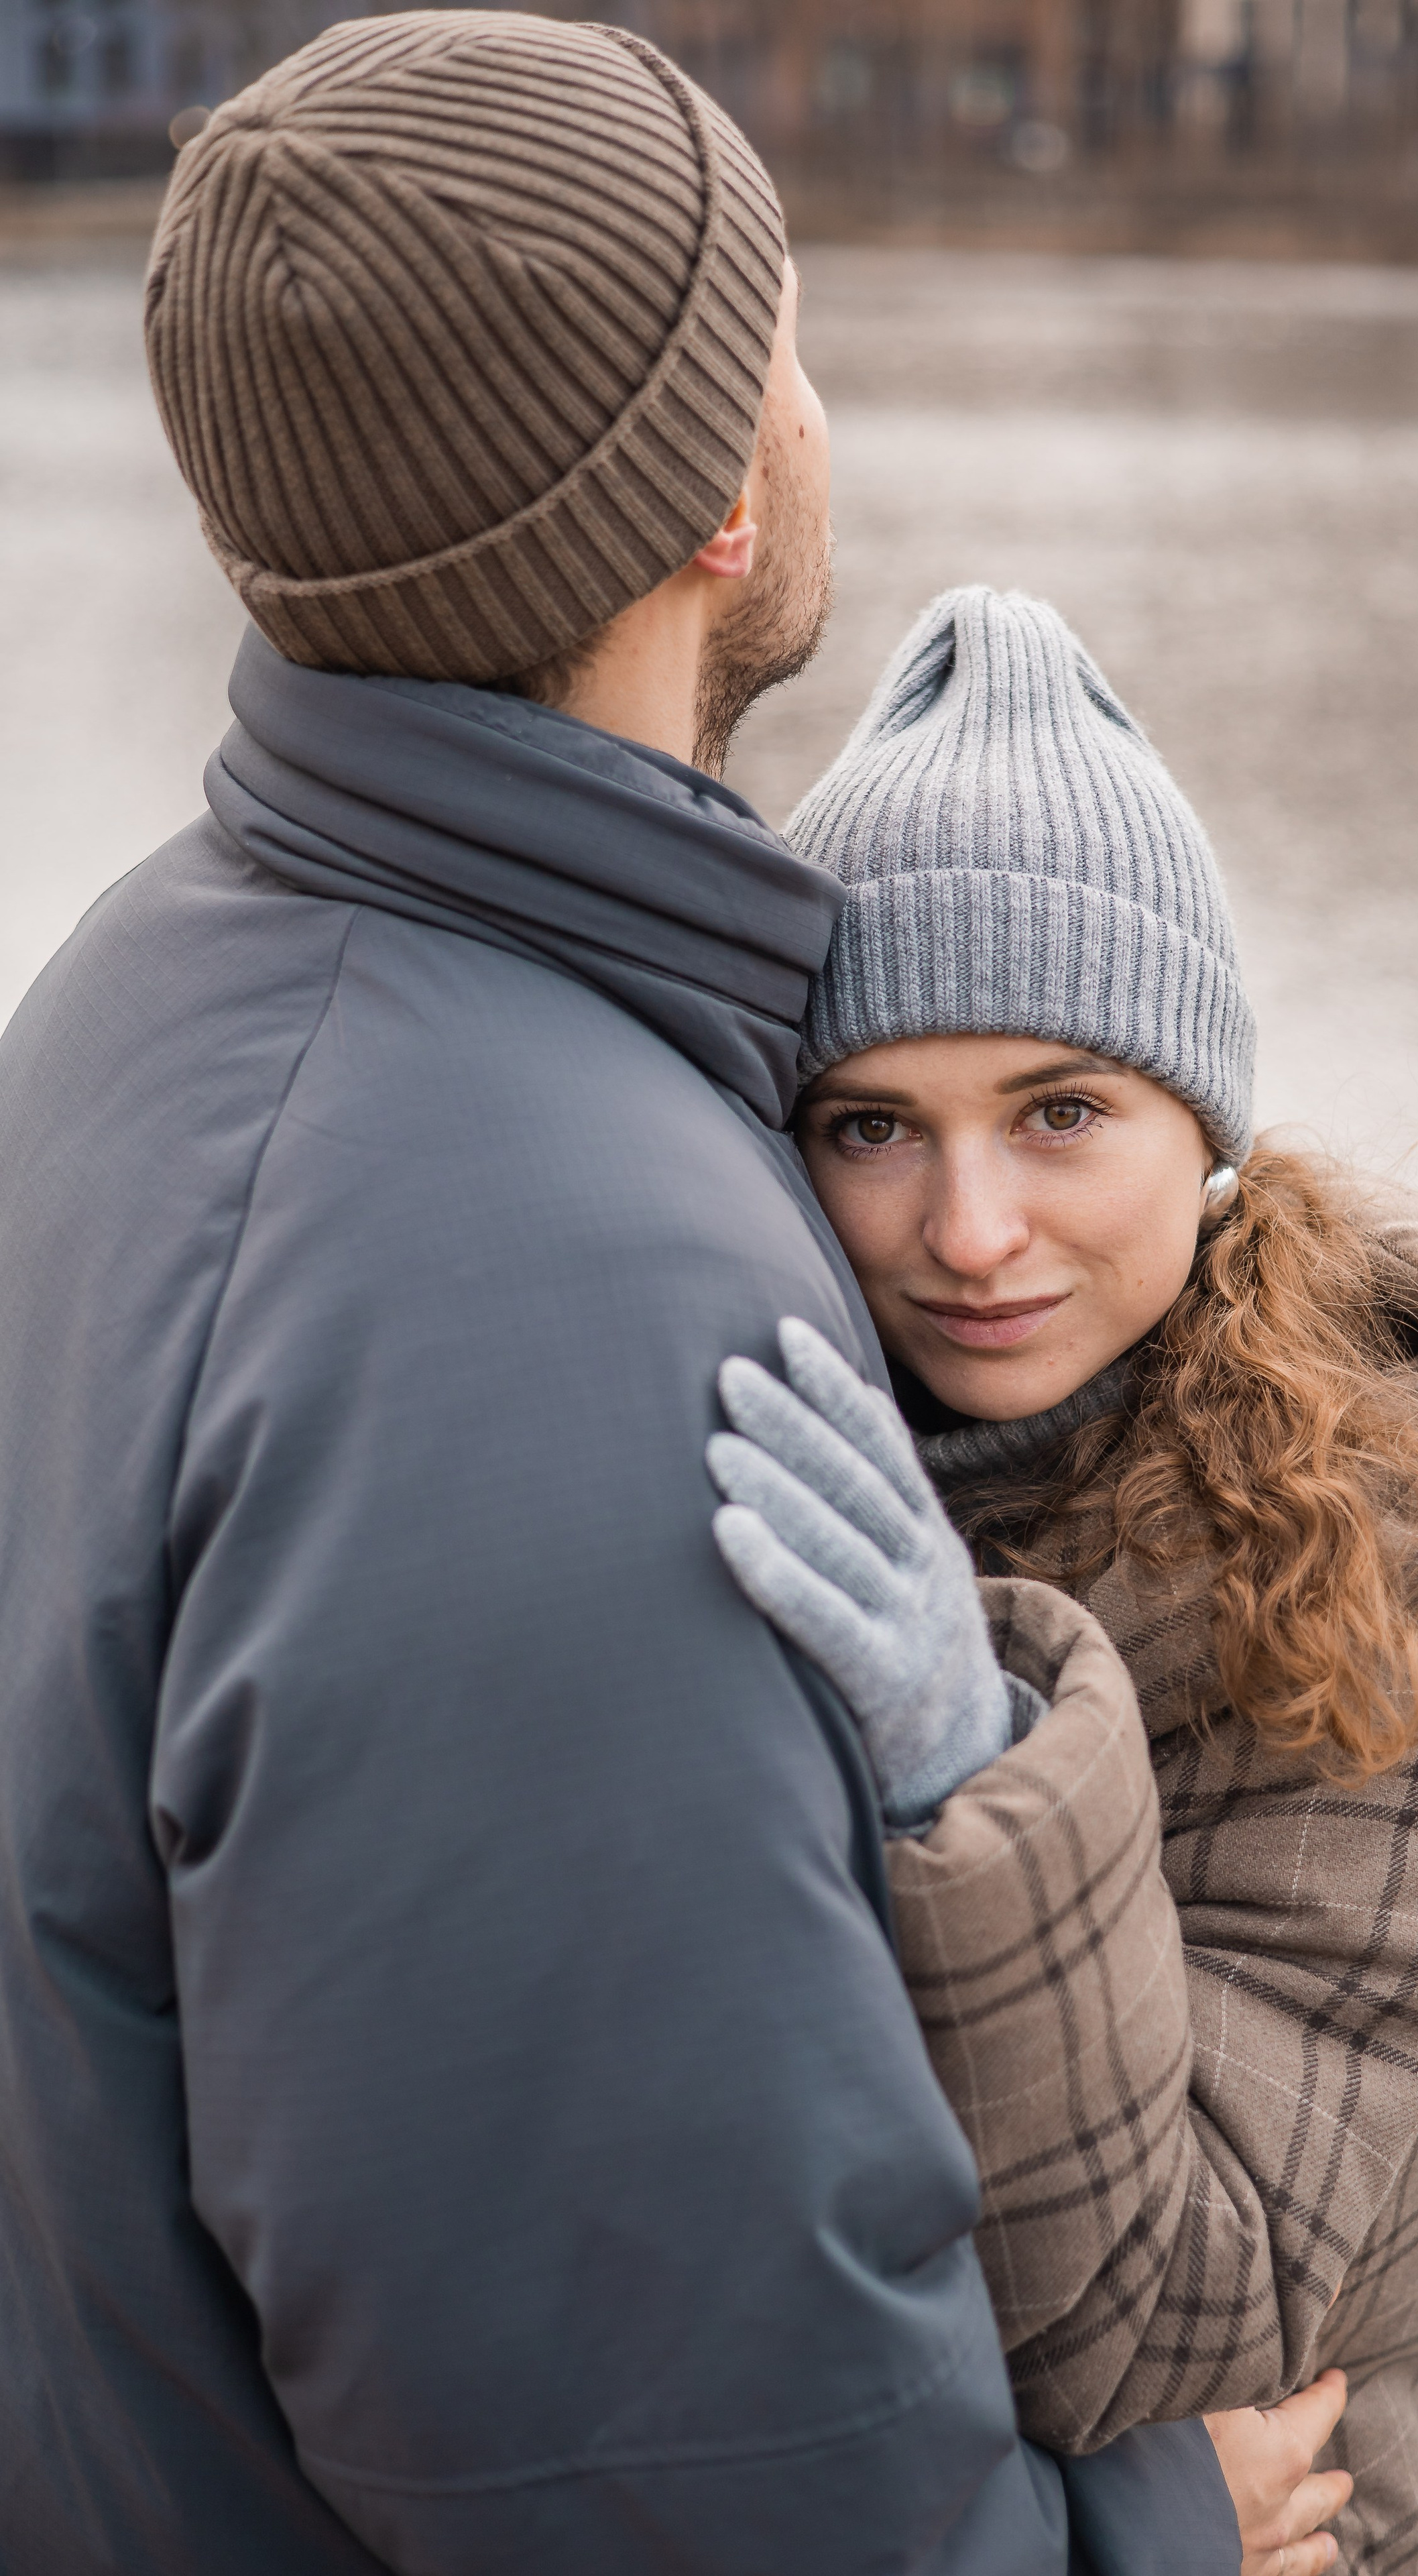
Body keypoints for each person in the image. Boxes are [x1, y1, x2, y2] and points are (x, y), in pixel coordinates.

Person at [0, 23, 1342, 2576]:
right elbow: (663, 2444)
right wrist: (1140, 2542)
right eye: (790, 342)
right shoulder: (572, 1279)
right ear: (728, 495)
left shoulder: (133, 999)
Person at [707, 586, 1418, 2575]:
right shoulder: (818, 1429)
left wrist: (977, 1763)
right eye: (873, 1124)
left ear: (1200, 1125)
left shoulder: (1373, 1558)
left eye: (1064, 1111)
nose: (970, 1231)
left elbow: (1193, 2326)